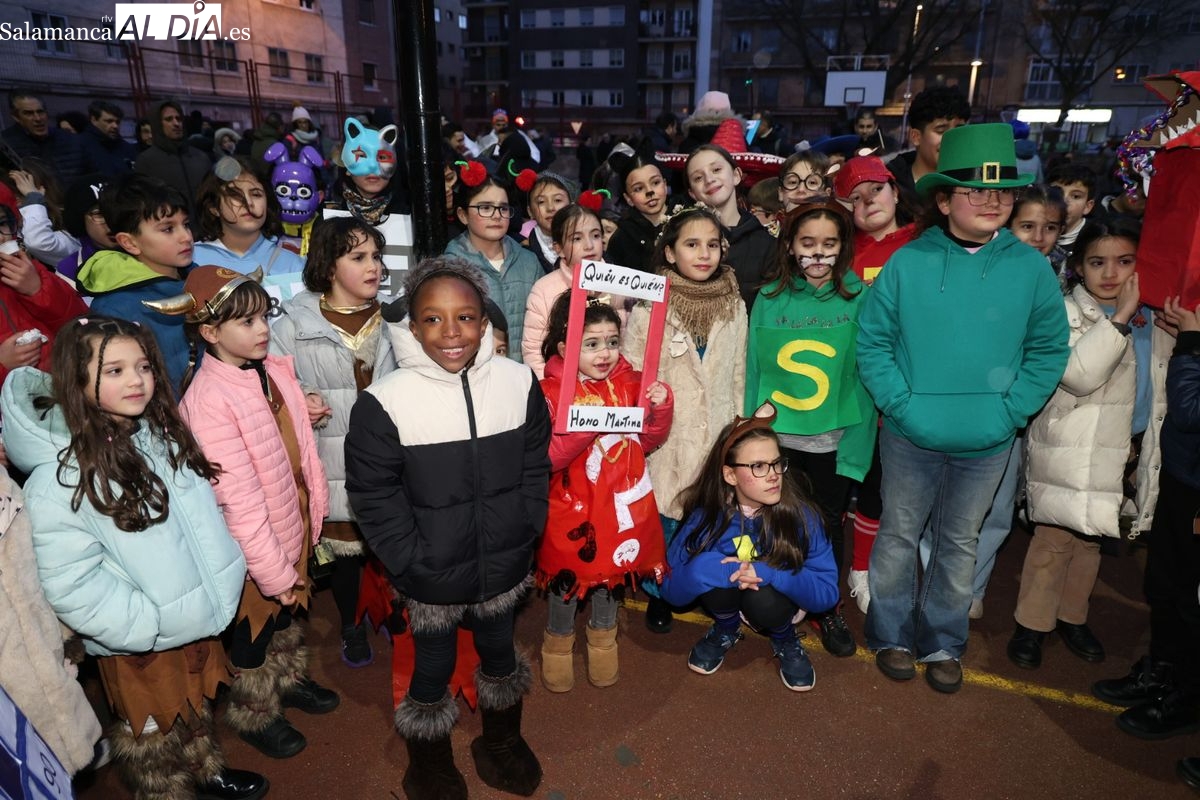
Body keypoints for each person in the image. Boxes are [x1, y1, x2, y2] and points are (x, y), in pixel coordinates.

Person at [0, 316, 266, 800]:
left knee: (193, 706)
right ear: (75, 380)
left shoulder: (156, 435)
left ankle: (207, 771)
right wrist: (144, 625)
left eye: (143, 366)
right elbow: (70, 582)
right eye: (115, 370)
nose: (137, 380)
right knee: (154, 731)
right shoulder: (59, 479)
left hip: (189, 617)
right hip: (139, 638)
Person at [856, 123, 1069, 694]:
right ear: (945, 198)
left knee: (960, 542)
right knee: (899, 535)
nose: (991, 200)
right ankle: (891, 633)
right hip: (908, 434)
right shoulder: (907, 262)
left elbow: (1049, 349)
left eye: (1001, 191)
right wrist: (901, 406)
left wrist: (1011, 412)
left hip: (990, 439)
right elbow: (873, 342)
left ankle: (944, 641)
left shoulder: (1030, 268)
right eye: (975, 189)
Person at [345, 257, 550, 799]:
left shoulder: (519, 382)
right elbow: (372, 492)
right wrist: (410, 557)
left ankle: (500, 742)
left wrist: (529, 525)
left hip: (506, 557)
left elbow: (535, 464)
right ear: (412, 328)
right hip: (430, 568)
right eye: (433, 319)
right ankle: (428, 763)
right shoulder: (385, 402)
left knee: (501, 651)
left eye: (465, 316)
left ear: (485, 321)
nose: (451, 332)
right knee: (432, 665)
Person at [163, 267, 337, 760]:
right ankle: (256, 711)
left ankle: (286, 682)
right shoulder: (209, 400)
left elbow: (293, 444)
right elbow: (236, 504)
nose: (262, 329)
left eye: (263, 316)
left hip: (291, 524)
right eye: (245, 322)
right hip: (254, 551)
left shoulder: (271, 368)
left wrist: (304, 409)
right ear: (209, 332)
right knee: (254, 633)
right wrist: (272, 569)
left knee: (285, 620)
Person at [1009, 219, 1168, 670]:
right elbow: (1080, 376)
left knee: (1094, 537)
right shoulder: (1063, 312)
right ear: (1078, 267)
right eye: (1097, 262)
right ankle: (1032, 624)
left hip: (1124, 447)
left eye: (1124, 261)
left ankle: (1071, 616)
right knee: (1054, 538)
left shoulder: (1152, 317)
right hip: (1069, 446)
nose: (1111, 273)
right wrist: (1118, 319)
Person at [746, 201, 876, 657]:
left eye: (828, 244)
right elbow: (752, 371)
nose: (818, 254)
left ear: (842, 248)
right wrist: (749, 436)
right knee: (773, 522)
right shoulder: (769, 297)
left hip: (833, 441)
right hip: (779, 439)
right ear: (790, 245)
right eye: (807, 243)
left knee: (826, 526)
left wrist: (859, 446)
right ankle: (775, 600)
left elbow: (864, 375)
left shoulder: (860, 297)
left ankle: (827, 606)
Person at [271, 217, 396, 668]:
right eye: (358, 257)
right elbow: (273, 380)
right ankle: (350, 624)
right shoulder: (293, 323)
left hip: (389, 460)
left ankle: (397, 618)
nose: (374, 267)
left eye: (377, 257)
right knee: (346, 556)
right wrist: (299, 399)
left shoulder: (395, 318)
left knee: (394, 547)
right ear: (328, 266)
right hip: (332, 456)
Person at [537, 294, 673, 691]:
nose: (605, 353)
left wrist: (660, 407)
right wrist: (586, 425)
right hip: (571, 507)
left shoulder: (633, 383)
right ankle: (557, 645)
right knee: (567, 580)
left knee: (610, 577)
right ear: (565, 348)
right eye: (591, 344)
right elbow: (549, 457)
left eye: (612, 342)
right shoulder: (548, 390)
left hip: (617, 507)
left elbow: (649, 439)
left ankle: (603, 638)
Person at [622, 207, 747, 634]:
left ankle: (705, 588)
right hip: (668, 437)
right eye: (692, 244)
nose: (704, 254)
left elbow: (738, 371)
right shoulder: (649, 306)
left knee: (711, 519)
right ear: (671, 253)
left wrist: (739, 427)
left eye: (712, 245)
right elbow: (635, 369)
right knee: (667, 523)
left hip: (718, 432)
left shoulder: (733, 301)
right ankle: (660, 594)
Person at [661, 402, 839, 691]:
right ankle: (726, 627)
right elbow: (670, 590)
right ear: (730, 475)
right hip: (727, 595)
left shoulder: (803, 516)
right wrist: (711, 569)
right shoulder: (706, 516)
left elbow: (827, 595)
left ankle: (784, 637)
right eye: (757, 466)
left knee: (764, 600)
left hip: (777, 601)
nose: (773, 475)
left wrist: (773, 573)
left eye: (776, 462)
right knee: (714, 571)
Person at [1091, 296, 1198, 744]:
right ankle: (1163, 673)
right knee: (1166, 586)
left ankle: (1186, 699)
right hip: (1184, 477)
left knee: (1192, 602)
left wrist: (1191, 344)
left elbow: (1191, 409)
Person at [77, 173, 193, 392]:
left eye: (186, 224)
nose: (186, 236)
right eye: (168, 229)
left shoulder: (204, 279)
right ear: (129, 242)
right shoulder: (114, 308)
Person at [443, 160, 541, 362]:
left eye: (503, 209)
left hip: (525, 378)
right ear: (463, 215)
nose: (497, 216)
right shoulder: (449, 268)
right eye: (485, 208)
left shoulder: (529, 262)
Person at [0, 183, 88, 389]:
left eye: (3, 223)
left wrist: (37, 291)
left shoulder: (32, 271)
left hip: (68, 391)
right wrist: (3, 365)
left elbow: (82, 325)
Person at [522, 203, 610, 377]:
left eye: (595, 235)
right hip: (562, 390)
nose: (589, 245)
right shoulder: (544, 290)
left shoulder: (621, 283)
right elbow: (533, 353)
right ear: (558, 248)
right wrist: (551, 394)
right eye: (577, 238)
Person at [685, 144, 774, 311]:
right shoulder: (683, 243)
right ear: (692, 193)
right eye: (698, 178)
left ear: (736, 175)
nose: (709, 179)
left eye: (716, 169)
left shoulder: (766, 244)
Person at [323, 118, 412, 280]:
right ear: (346, 167)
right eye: (361, 155)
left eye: (382, 157)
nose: (373, 167)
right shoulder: (328, 220)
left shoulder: (412, 215)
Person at [192, 156, 306, 278]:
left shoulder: (294, 265)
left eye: (256, 194)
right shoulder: (191, 259)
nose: (248, 202)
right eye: (235, 195)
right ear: (213, 207)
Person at [886, 86, 970, 207]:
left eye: (959, 130)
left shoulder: (973, 184)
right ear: (916, 137)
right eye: (941, 131)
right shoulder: (888, 185)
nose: (952, 140)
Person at [133, 101, 211, 225]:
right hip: (172, 233)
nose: (176, 123)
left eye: (178, 119)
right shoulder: (146, 161)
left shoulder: (200, 157)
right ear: (158, 124)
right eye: (169, 119)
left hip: (208, 230)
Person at [2, 89, 89, 184]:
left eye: (40, 112)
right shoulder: (6, 145)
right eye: (28, 113)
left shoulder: (71, 140)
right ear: (16, 117)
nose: (38, 118)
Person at [604, 151, 669, 271]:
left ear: (665, 185)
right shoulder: (621, 239)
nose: (649, 192)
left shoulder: (688, 219)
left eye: (655, 182)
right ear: (628, 199)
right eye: (638, 188)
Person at [7, 161, 78, 266]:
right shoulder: (10, 230)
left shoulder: (69, 224)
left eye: (20, 194)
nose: (15, 202)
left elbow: (39, 242)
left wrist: (34, 198)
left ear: (41, 191)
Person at [57, 173, 117, 281]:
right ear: (79, 220)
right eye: (100, 214)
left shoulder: (152, 253)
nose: (112, 221)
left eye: (117, 211)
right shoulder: (69, 270)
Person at [522, 171, 578, 275]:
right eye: (541, 202)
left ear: (571, 207)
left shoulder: (588, 246)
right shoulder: (522, 252)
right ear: (530, 211)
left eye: (557, 200)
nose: (551, 208)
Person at [1009, 184, 1068, 278]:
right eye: (1028, 226)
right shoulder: (990, 267)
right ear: (1009, 227)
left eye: (1050, 228)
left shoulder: (1065, 271)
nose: (1038, 238)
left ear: (1060, 231)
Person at [1047, 164, 1099, 256]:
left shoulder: (1097, 240)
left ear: (1087, 206)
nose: (1064, 201)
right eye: (1057, 192)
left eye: (1075, 196)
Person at [78, 100, 138, 176]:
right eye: (109, 121)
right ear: (94, 120)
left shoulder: (126, 147)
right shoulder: (80, 146)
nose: (115, 126)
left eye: (117, 122)